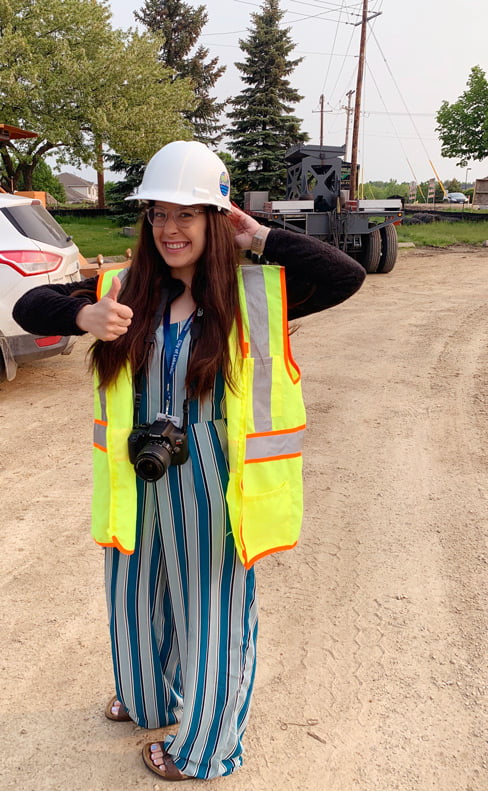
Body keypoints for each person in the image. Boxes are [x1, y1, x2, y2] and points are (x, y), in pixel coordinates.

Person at [13, 140, 365, 781]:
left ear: (215, 218)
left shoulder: (252, 291)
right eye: (159, 215)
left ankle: (206, 749)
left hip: (210, 476)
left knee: (211, 611)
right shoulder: (126, 288)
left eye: (188, 214)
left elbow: (347, 275)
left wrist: (259, 235)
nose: (171, 229)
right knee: (134, 594)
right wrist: (83, 312)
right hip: (137, 469)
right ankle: (148, 700)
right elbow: (26, 306)